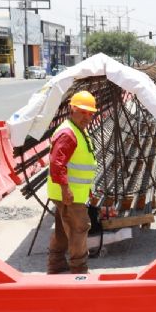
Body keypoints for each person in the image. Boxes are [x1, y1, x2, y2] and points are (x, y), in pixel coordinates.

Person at [46, 90, 98, 274]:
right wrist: (66, 189)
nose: (87, 117)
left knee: (62, 229)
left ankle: (56, 264)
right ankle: (79, 269)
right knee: (79, 229)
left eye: (90, 114)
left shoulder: (76, 130)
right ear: (72, 109)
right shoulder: (68, 134)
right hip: (69, 194)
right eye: (83, 112)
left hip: (71, 192)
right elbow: (56, 164)